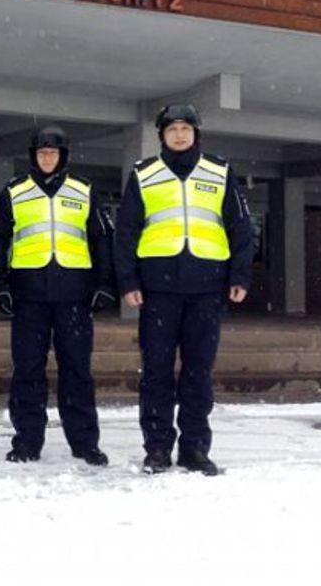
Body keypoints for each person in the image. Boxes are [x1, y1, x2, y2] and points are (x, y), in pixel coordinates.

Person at [114, 104, 253, 476]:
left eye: (186, 128)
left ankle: (194, 449)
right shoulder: (144, 174)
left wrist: (240, 277)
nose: (179, 134)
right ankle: (158, 448)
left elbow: (240, 227)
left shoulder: (220, 171)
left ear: (196, 133)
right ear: (162, 135)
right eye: (172, 129)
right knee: (156, 372)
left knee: (198, 371)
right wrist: (128, 281)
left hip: (207, 287)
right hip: (158, 289)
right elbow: (125, 232)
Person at [0, 125, 115, 467]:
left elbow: (102, 240)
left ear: (63, 156)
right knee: (27, 371)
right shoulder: (14, 191)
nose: (47, 158)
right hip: (28, 295)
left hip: (74, 295)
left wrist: (105, 284)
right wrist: (0, 285)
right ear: (33, 156)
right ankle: (27, 441)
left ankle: (85, 442)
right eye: (42, 153)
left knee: (77, 370)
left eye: (53, 153)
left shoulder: (84, 190)